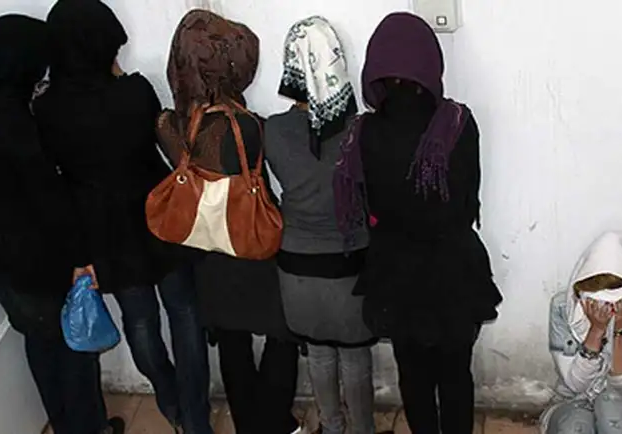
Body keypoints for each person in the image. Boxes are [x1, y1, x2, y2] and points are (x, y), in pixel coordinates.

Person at [0, 14, 123, 434]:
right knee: (73, 347)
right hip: (38, 251)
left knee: (40, 341)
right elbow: (48, 200)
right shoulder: (9, 123)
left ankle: (67, 425)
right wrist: (79, 260)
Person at [32, 1, 212, 433]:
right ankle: (196, 419)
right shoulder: (135, 91)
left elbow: (56, 178)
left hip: (104, 232)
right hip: (160, 215)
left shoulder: (47, 108)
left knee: (141, 322)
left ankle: (168, 399)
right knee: (185, 313)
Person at [333, 12, 503, 434]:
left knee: (413, 377)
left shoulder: (363, 132)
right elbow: (467, 203)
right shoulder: (457, 123)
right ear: (430, 62)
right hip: (453, 273)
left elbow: (366, 207)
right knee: (456, 375)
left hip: (395, 276)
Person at [157, 9, 301, 434]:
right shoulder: (245, 126)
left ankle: (248, 424)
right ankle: (276, 422)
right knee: (282, 333)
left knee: (232, 340)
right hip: (248, 244)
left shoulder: (167, 123)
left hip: (205, 251)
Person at [266, 16, 377, 434]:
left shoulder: (273, 129)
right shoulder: (360, 130)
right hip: (349, 262)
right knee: (355, 356)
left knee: (318, 353)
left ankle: (331, 428)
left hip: (295, 264)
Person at [541, 231, 622, 434]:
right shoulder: (563, 308)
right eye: (597, 300)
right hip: (571, 401)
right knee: (575, 426)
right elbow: (576, 385)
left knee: (613, 413)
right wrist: (596, 331)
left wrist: (619, 329)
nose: (606, 309)